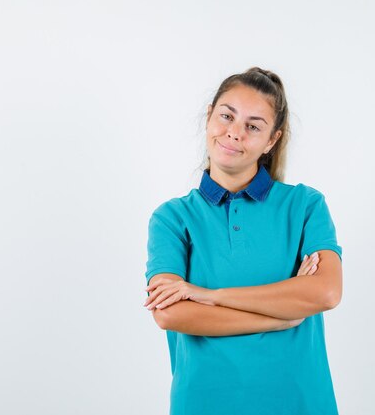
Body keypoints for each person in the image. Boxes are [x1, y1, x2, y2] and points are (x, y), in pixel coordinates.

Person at [143, 67, 344, 415]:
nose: (234, 133)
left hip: (299, 402)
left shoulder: (304, 205)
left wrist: (209, 296)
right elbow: (170, 312)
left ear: (271, 140)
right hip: (205, 403)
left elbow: (325, 292)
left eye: (253, 126)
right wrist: (282, 316)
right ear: (209, 117)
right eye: (227, 116)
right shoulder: (172, 218)